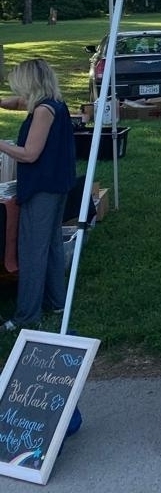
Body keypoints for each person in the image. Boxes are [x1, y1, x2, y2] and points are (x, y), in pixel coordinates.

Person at [0, 59, 76, 332]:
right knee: (51, 243)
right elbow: (17, 103)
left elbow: (29, 154)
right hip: (57, 184)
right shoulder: (54, 102)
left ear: (29, 83)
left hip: (42, 187)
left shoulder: (43, 111)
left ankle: (27, 315)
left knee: (32, 250)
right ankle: (56, 301)